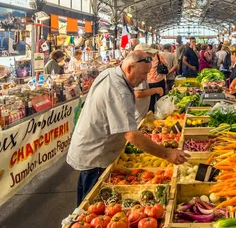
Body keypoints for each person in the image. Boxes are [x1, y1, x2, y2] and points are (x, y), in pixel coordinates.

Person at [67, 50, 189, 204]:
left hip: (89, 146)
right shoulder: (119, 91)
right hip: (97, 154)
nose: (145, 78)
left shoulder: (111, 73)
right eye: (144, 73)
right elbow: (131, 135)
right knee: (91, 204)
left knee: (84, 202)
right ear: (130, 68)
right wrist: (167, 154)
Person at [133, 44, 164, 122]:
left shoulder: (141, 70)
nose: (151, 59)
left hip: (141, 115)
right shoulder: (137, 71)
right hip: (137, 118)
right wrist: (156, 90)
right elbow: (138, 93)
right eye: (148, 57)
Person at [147, 43, 167, 112]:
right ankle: (160, 113)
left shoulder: (147, 57)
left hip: (149, 81)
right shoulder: (159, 56)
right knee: (160, 99)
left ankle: (151, 114)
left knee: (150, 100)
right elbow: (166, 64)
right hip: (159, 80)